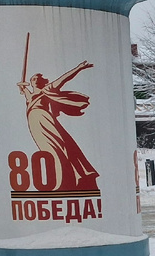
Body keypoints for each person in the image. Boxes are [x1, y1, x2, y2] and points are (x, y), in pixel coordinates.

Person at [18, 60, 99, 192]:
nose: (35, 80)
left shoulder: (47, 89)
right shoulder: (30, 96)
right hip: (35, 123)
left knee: (59, 146)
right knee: (47, 148)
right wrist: (21, 86)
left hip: (45, 120)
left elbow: (64, 78)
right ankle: (59, 177)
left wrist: (78, 68)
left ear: (43, 82)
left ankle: (71, 177)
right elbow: (23, 90)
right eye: (33, 78)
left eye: (38, 78)